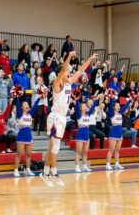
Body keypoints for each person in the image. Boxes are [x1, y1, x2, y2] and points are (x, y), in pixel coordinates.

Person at [41, 51, 98, 185]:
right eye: (67, 72)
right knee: (55, 147)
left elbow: (81, 71)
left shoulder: (69, 84)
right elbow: (64, 70)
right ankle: (54, 173)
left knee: (52, 146)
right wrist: (69, 57)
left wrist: (89, 59)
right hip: (55, 117)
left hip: (61, 117)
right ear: (62, 73)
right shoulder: (57, 83)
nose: (69, 74)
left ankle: (45, 172)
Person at [14, 94, 40, 177]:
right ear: (21, 107)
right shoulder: (20, 114)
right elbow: (17, 104)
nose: (27, 105)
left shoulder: (30, 114)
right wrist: (16, 96)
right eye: (25, 104)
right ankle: (15, 170)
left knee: (28, 154)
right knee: (19, 154)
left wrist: (39, 97)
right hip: (21, 137)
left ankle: (28, 169)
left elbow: (35, 106)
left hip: (29, 137)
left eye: (27, 104)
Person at [106, 98, 132, 170]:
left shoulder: (120, 113)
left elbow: (125, 106)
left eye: (118, 105)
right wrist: (110, 97)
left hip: (119, 133)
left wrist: (130, 100)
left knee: (117, 150)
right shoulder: (112, 113)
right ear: (114, 107)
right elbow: (110, 106)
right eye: (116, 105)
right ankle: (108, 164)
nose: (118, 106)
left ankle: (117, 163)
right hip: (113, 133)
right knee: (111, 150)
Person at [74, 97, 99, 173]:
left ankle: (84, 166)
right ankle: (77, 167)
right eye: (83, 107)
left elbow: (93, 107)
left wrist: (97, 99)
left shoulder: (88, 114)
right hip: (80, 136)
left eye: (85, 107)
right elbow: (77, 106)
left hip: (86, 136)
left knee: (85, 152)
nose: (85, 108)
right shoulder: (79, 115)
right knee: (78, 152)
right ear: (80, 108)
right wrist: (77, 99)